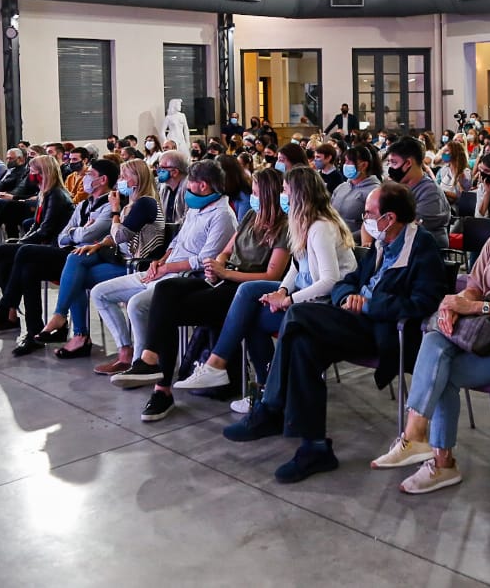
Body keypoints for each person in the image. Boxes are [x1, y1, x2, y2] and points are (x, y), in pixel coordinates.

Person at [220, 182, 444, 484]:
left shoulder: (421, 246)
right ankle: (314, 447)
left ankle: (272, 406)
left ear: (389, 218)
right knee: (302, 344)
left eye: (368, 213)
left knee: (298, 313)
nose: (363, 218)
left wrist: (369, 304)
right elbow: (347, 280)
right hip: (351, 317)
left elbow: (423, 302)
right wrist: (346, 297)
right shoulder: (381, 244)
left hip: (383, 330)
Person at [371, 161, 490, 493]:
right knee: (436, 343)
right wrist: (456, 307)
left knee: (440, 374)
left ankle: (428, 448)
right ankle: (423, 443)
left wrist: (474, 306)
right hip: (479, 333)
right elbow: (474, 284)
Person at [152, 167, 356, 401]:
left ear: (298, 195)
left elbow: (329, 280)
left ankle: (240, 377)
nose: (283, 195)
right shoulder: (301, 221)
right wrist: (281, 291)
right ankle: (247, 381)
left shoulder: (320, 228)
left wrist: (287, 298)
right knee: (247, 300)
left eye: (285, 190)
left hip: (324, 303)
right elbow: (296, 267)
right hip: (301, 293)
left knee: (250, 313)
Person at [111, 169, 291, 416]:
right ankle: (149, 359)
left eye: (256, 192)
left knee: (167, 312)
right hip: (223, 277)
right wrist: (215, 266)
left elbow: (271, 276)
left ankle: (161, 388)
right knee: (166, 289)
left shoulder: (284, 227)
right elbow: (226, 251)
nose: (252, 195)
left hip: (244, 289)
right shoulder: (251, 215)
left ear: (268, 194)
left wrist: (225, 273)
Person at [88, 160, 237, 365]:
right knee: (100, 293)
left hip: (184, 278)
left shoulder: (222, 215)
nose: (187, 187)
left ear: (203, 185)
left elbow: (204, 260)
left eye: (191, 182)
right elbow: (177, 241)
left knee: (137, 305)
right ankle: (125, 350)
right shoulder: (196, 208)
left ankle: (143, 362)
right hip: (166, 269)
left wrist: (167, 268)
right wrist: (160, 262)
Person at [0, 158, 118, 336]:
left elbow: (80, 235)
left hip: (80, 258)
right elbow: (63, 236)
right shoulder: (84, 204)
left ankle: (3, 309)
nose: (84, 177)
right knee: (26, 266)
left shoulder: (107, 206)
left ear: (103, 179)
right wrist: (77, 231)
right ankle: (32, 330)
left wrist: (75, 232)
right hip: (66, 251)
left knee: (22, 251)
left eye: (89, 174)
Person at [32, 159, 164, 358]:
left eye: (124, 176)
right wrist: (99, 244)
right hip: (122, 258)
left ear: (137, 179)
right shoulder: (133, 204)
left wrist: (114, 211)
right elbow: (112, 236)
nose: (119, 180)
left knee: (76, 276)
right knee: (76, 258)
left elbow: (121, 235)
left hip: (138, 265)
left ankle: (71, 327)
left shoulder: (145, 203)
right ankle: (68, 324)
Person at [0, 154, 73, 324]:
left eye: (33, 171)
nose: (30, 174)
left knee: (3, 250)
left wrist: (22, 243)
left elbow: (46, 230)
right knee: (6, 255)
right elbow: (36, 225)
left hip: (55, 247)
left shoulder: (57, 195)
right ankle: (8, 314)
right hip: (45, 243)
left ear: (43, 173)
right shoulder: (45, 193)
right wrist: (21, 241)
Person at [386, 137, 451, 248]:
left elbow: (406, 228)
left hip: (423, 253)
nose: (390, 168)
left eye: (394, 163)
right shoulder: (396, 188)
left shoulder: (431, 193)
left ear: (408, 163)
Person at [332, 144, 380, 238]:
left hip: (355, 242)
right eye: (345, 161)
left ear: (364, 165)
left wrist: (348, 238)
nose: (346, 165)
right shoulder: (341, 187)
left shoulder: (374, 192)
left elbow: (373, 225)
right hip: (333, 239)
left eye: (350, 162)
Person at [155, 149, 188, 224]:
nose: (158, 171)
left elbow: (188, 218)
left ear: (175, 172)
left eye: (162, 168)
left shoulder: (189, 188)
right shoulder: (162, 186)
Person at [436, 140, 472, 205]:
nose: (443, 153)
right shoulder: (444, 169)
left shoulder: (465, 172)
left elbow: (462, 197)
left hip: (454, 207)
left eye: (447, 151)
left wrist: (443, 193)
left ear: (454, 153)